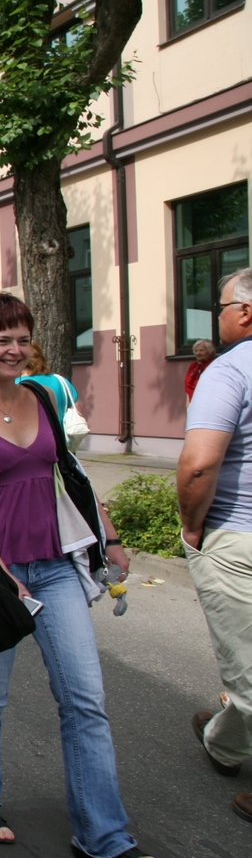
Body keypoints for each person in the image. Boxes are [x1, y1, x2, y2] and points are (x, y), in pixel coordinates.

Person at [0, 293, 159, 858]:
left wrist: (108, 538)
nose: (15, 350)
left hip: (56, 565)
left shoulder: (42, 397)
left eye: (22, 338)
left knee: (84, 699)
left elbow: (71, 474)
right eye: (1, 340)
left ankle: (104, 834)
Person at [179, 268, 252, 824]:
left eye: (222, 305)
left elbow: (201, 463)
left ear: (244, 313)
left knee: (246, 670)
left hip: (237, 533)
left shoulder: (229, 371)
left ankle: (230, 727)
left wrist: (191, 527)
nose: (218, 315)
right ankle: (226, 742)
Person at [186, 338, 217, 407]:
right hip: (192, 403)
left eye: (201, 350)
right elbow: (188, 387)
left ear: (210, 351)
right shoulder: (194, 366)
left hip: (208, 403)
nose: (198, 353)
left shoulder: (214, 365)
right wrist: (188, 405)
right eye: (196, 351)